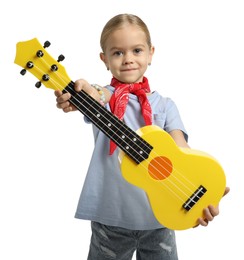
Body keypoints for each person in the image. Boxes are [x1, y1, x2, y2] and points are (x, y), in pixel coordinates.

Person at [55, 13, 230, 260]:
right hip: (111, 217)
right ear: (104, 59)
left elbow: (182, 151)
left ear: (151, 53)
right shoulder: (104, 101)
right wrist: (84, 93)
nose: (128, 59)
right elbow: (98, 95)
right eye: (117, 53)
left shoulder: (166, 106)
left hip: (160, 215)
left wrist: (205, 186)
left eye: (136, 50)